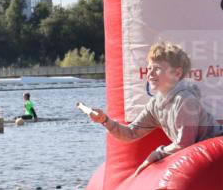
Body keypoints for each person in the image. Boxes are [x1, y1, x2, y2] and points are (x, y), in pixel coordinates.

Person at [88, 41, 222, 175]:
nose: (150, 73)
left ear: (176, 73)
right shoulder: (156, 104)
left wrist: (158, 153)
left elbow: (185, 144)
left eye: (156, 68)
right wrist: (105, 120)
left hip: (216, 152)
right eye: (149, 68)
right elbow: (131, 133)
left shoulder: (185, 100)